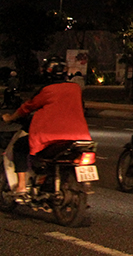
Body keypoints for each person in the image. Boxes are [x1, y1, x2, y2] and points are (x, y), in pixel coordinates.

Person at [1, 56, 91, 200]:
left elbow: (27, 108)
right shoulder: (75, 88)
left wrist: (10, 118)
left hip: (51, 136)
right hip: (79, 136)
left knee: (20, 146)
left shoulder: (47, 90)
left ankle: (22, 186)